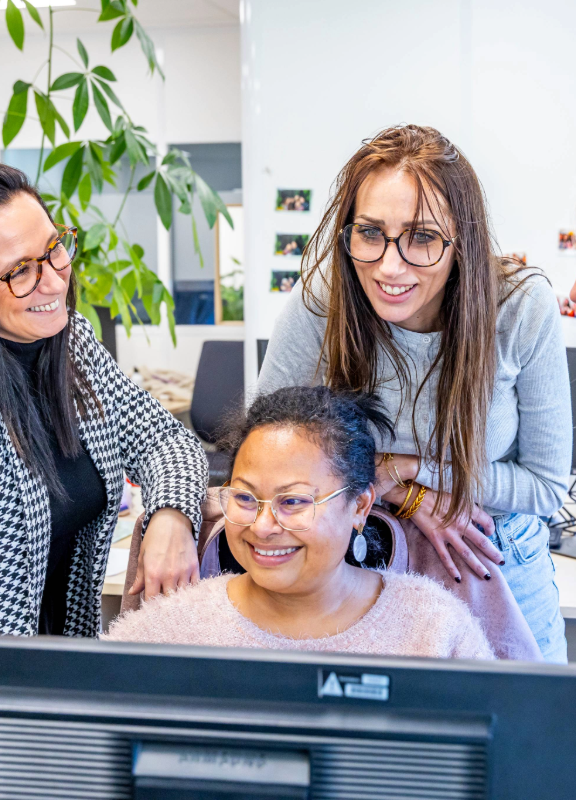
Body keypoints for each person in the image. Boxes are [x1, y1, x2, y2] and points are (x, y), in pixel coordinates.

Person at [257, 125, 571, 663]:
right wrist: (403, 491)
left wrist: (407, 466)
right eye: (371, 233)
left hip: (493, 557)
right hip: (360, 557)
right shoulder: (323, 300)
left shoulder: (520, 307)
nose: (389, 265)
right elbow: (265, 452)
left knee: (526, 741)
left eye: (422, 237)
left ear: (462, 241)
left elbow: (545, 488)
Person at [106, 386, 494, 660]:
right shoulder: (172, 629)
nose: (262, 527)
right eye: (244, 498)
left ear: (359, 507)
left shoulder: (434, 630)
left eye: (293, 502)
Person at [0, 165, 208, 637]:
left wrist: (171, 516)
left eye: (53, 249)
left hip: (63, 658)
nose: (54, 281)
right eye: (19, 271)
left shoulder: (74, 345)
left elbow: (165, 439)